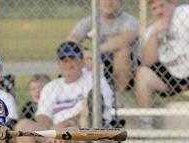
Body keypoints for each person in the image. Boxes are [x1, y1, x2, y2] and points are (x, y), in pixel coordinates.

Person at [13, 41, 113, 143]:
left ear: (81, 61)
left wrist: (65, 126)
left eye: (72, 59)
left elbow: (95, 112)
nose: (68, 64)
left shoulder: (95, 80)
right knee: (23, 126)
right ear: (58, 63)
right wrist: (52, 131)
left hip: (85, 135)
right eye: (63, 60)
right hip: (53, 138)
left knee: (87, 112)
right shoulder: (52, 87)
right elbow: (43, 116)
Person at [68, 0, 140, 106]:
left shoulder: (129, 20)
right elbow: (71, 41)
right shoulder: (91, 20)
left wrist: (95, 51)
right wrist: (84, 53)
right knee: (82, 55)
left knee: (122, 52)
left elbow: (126, 38)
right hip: (99, 63)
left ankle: (117, 98)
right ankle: (84, 99)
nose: (109, 2)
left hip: (128, 69)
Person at [135, 0, 189, 128]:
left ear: (172, 3)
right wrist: (155, 35)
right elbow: (148, 61)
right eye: (154, 8)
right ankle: (145, 126)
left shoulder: (184, 13)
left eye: (162, 6)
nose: (159, 11)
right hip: (170, 77)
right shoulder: (151, 31)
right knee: (142, 74)